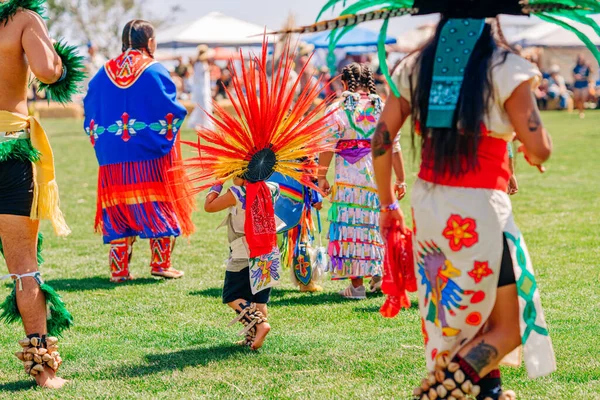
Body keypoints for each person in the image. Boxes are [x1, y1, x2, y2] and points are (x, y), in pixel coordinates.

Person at [377, 18, 555, 400]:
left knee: (454, 313)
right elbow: (540, 147)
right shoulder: (506, 66)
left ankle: (485, 391)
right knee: (509, 326)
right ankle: (439, 388)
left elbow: (381, 137)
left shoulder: (414, 67)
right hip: (480, 207)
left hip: (428, 207)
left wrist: (387, 203)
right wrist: (525, 146)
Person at [180, 40, 334, 349]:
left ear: (239, 169)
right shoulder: (273, 187)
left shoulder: (236, 192)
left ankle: (259, 325)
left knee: (233, 296)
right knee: (259, 295)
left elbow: (210, 207)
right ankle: (253, 338)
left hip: (243, 252)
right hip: (268, 252)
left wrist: (216, 182)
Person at [0, 0, 84, 389]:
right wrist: (58, 57)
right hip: (10, 149)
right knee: (24, 268)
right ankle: (43, 371)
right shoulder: (21, 19)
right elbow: (50, 73)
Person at [84, 20, 195, 282]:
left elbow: (89, 106)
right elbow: (171, 110)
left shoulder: (103, 72)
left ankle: (119, 270)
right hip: (147, 153)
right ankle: (160, 264)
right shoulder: (154, 69)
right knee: (158, 201)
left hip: (112, 157)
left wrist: (108, 139)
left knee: (118, 206)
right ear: (150, 42)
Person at [318, 63, 406, 300]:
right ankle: (377, 277)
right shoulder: (382, 107)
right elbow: (394, 145)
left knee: (351, 227)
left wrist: (320, 176)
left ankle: (357, 287)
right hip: (378, 176)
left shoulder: (338, 108)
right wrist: (401, 179)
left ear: (345, 83)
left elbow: (327, 145)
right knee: (374, 224)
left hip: (349, 179)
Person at [188, 44, 215, 129]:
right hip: (202, 89)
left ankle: (200, 124)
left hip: (200, 89)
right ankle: (205, 125)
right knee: (204, 107)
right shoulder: (201, 64)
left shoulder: (198, 63)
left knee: (201, 107)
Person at [573, 54, 592, 118]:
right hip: (577, 84)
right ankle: (579, 110)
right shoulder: (576, 67)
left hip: (584, 84)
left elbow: (592, 72)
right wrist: (576, 76)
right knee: (577, 98)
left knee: (583, 99)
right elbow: (573, 74)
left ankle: (582, 111)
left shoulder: (586, 67)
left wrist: (590, 67)